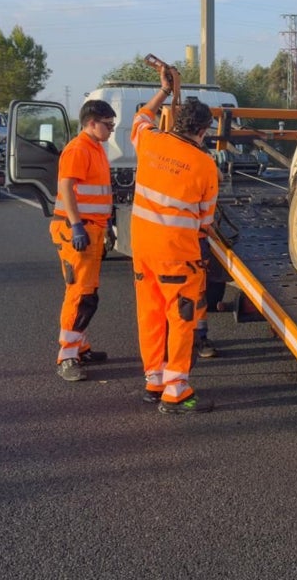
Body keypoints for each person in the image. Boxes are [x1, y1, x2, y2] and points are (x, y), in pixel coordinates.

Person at [131, 62, 219, 414]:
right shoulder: (204, 165)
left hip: (142, 250)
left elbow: (141, 117)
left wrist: (164, 91)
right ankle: (176, 390)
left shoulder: (149, 141)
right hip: (177, 256)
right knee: (180, 318)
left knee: (150, 315)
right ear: (202, 130)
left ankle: (154, 381)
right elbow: (205, 221)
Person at [52, 99, 116, 382]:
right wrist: (77, 226)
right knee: (80, 295)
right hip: (78, 230)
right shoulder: (79, 149)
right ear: (91, 122)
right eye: (108, 125)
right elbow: (66, 185)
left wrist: (107, 225)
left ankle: (80, 347)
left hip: (92, 229)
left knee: (87, 292)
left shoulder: (96, 148)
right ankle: (67, 356)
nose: (112, 130)